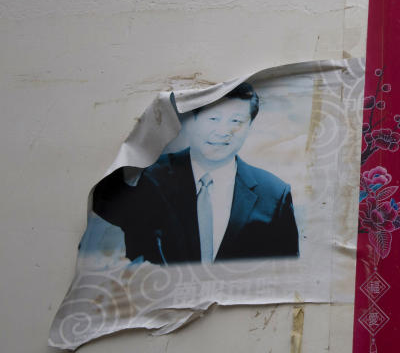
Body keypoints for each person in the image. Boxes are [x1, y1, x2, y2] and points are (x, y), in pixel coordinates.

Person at [92, 83, 299, 264]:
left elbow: (286, 271)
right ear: (192, 121)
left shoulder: (274, 194)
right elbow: (103, 202)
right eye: (214, 118)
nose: (223, 131)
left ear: (250, 126)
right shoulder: (150, 176)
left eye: (236, 121)